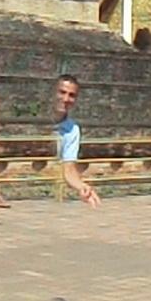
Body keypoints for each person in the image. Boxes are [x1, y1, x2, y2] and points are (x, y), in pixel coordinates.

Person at [54, 74, 100, 209]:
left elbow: (68, 168)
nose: (66, 99)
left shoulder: (72, 130)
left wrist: (81, 186)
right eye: (62, 92)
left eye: (71, 95)